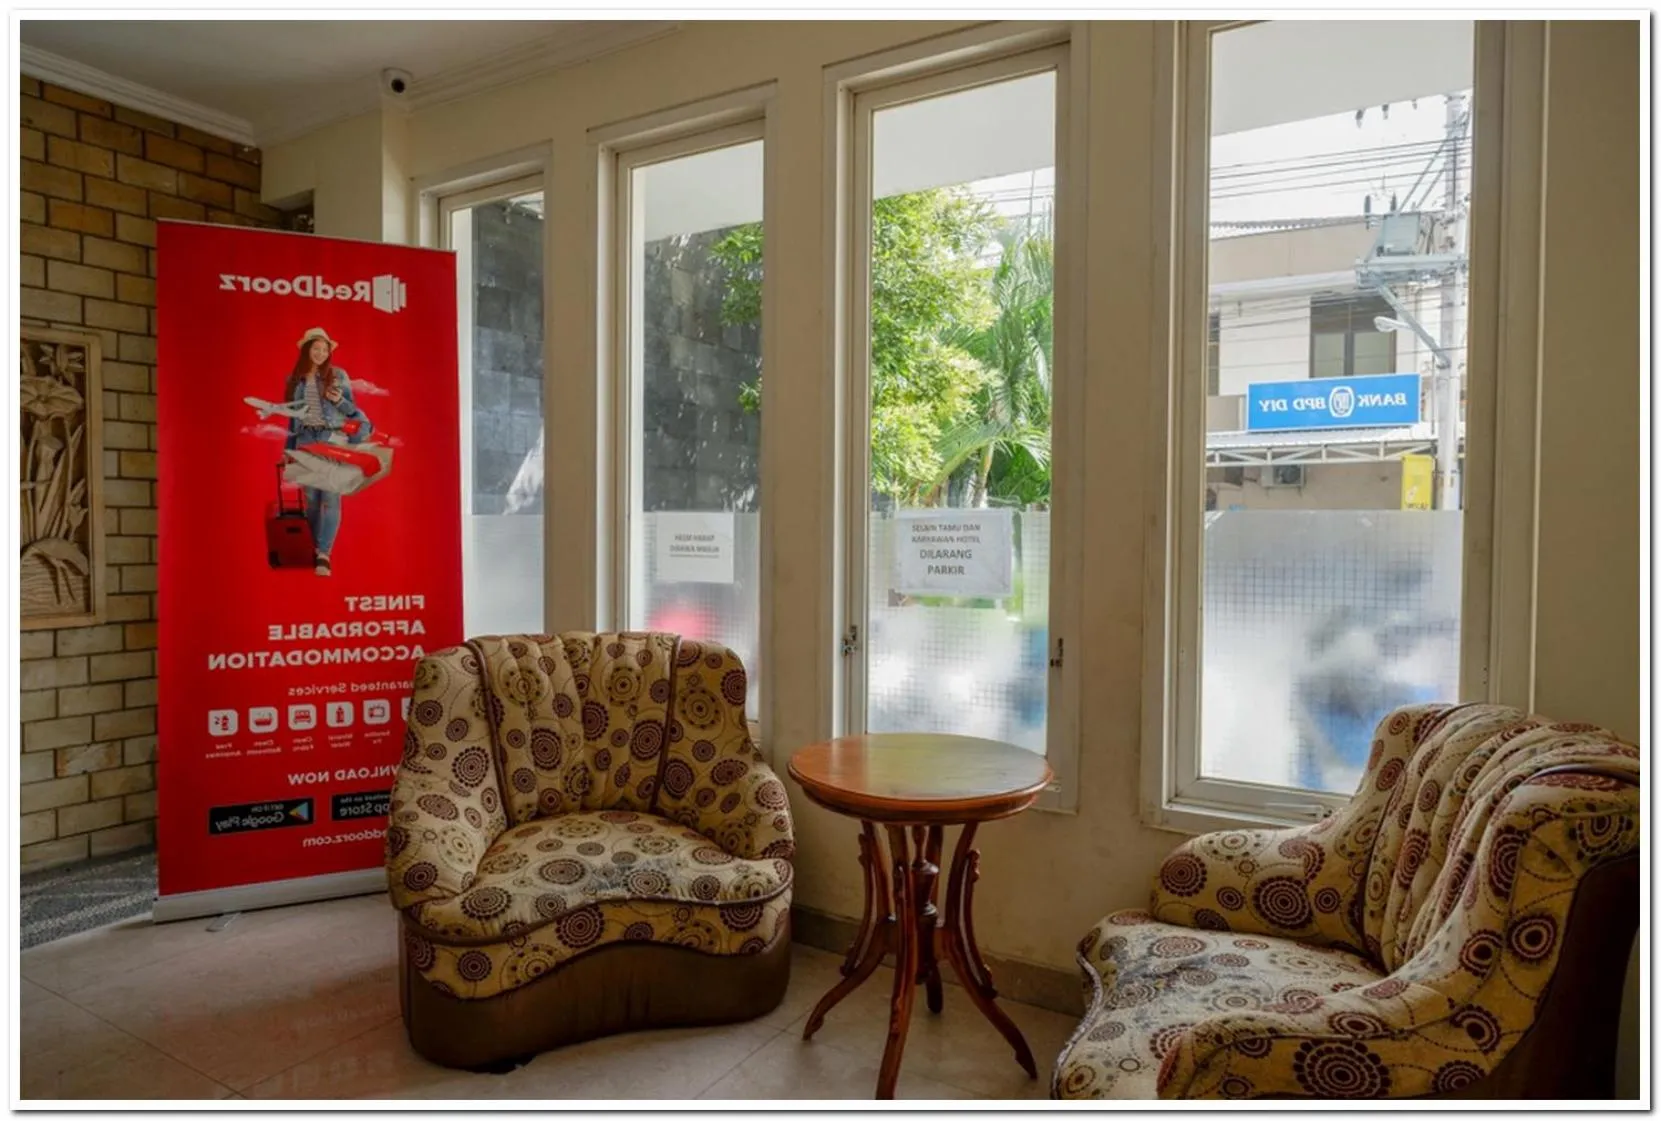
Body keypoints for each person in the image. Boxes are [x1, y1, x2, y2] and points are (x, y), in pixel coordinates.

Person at [283, 328, 372, 577]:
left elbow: (352, 410)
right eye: (316, 348)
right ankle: (312, 548)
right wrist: (288, 450)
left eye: (325, 349)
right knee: (311, 500)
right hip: (305, 441)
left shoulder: (338, 375)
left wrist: (338, 402)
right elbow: (291, 420)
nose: (321, 353)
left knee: (331, 498)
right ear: (307, 349)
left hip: (331, 438)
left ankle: (324, 554)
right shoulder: (294, 380)